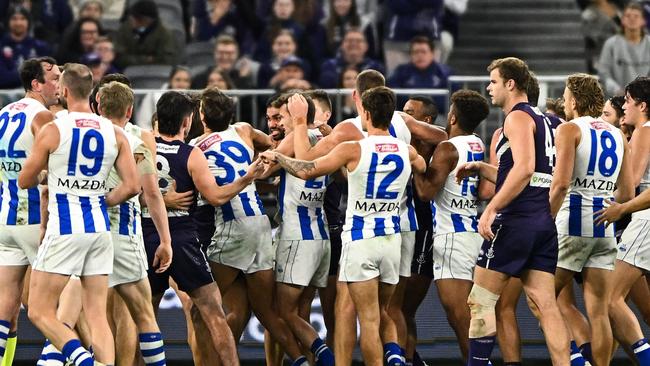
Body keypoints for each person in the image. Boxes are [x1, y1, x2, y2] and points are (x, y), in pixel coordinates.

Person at [261, 86, 427, 366]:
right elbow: (422, 167)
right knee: (385, 311)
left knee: (369, 321)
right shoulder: (406, 150)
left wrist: (280, 155)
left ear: (366, 112)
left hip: (362, 241)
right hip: (392, 239)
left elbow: (307, 168)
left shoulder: (353, 149)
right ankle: (396, 359)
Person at [291, 70, 447, 366]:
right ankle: (399, 358)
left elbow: (305, 162)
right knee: (394, 309)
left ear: (359, 99)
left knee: (349, 308)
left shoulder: (349, 132)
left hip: (362, 231)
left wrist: (300, 121)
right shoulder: (405, 125)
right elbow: (442, 137)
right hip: (402, 226)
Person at [18, 63, 139, 366]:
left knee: (38, 310)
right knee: (97, 314)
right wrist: (102, 199)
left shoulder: (53, 129)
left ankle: (83, 361)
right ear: (93, 94)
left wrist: (47, 176)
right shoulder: (115, 133)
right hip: (99, 227)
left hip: (65, 228)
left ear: (65, 91)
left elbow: (24, 180)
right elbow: (132, 186)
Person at [455, 57, 569, 365]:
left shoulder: (516, 118)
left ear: (510, 84)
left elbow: (525, 169)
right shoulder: (545, 120)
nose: (489, 87)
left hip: (515, 221)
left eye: (493, 81)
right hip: (542, 223)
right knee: (547, 306)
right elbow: (537, 175)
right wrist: (482, 168)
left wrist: (491, 208)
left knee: (480, 301)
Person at [144, 90, 265, 366]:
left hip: (148, 236)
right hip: (184, 239)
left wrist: (161, 198)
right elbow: (216, 196)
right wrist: (247, 177)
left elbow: (129, 188)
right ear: (187, 122)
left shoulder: (143, 146)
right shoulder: (191, 154)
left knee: (143, 317)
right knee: (213, 312)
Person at [550, 73, 633, 366]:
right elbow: (626, 192)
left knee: (542, 299)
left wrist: (545, 219)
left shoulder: (569, 129)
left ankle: (573, 361)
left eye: (565, 95)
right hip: (605, 226)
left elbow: (560, 184)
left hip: (572, 223)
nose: (563, 100)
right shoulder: (617, 134)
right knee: (598, 312)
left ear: (573, 99)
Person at [97, 81, 174, 366]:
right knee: (139, 314)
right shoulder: (137, 142)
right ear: (130, 111)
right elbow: (151, 194)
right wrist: (165, 241)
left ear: (98, 107)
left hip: (88, 232)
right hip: (125, 235)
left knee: (91, 315)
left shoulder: (80, 136)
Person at [413, 90, 490, 363]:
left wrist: (414, 161)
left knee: (459, 316)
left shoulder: (448, 148)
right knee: (474, 316)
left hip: (452, 238)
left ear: (453, 116)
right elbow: (484, 190)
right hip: (472, 232)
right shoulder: (477, 143)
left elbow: (425, 192)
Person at [0, 56, 59, 365]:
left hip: (5, 219)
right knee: (59, 308)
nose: (59, 85)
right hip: (36, 220)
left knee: (5, 311)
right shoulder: (44, 118)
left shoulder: (3, 113)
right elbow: (51, 169)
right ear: (37, 84)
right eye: (54, 78)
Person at [598, 76, 650, 365]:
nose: (625, 106)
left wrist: (619, 207)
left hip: (645, 221)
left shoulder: (645, 130)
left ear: (642, 105)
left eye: (628, 101)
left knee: (610, 298)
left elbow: (634, 182)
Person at [400, 95, 438, 365]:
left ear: (425, 120)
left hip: (424, 232)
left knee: (403, 309)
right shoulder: (398, 144)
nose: (402, 117)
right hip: (399, 232)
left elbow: (424, 196)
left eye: (409, 113)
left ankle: (411, 359)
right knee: (394, 309)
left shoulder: (436, 148)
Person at [598, 2, 650, 96]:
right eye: (628, 16)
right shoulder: (611, 44)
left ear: (643, 21)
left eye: (636, 16)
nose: (632, 19)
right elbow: (604, 73)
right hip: (618, 99)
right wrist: (618, 91)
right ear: (622, 20)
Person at [112, 0, 177, 69]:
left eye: (136, 18)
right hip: (127, 71)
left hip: (155, 72)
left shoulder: (164, 34)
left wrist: (134, 59)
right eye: (132, 17)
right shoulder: (125, 29)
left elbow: (166, 60)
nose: (132, 20)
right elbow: (119, 57)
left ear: (147, 20)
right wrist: (147, 59)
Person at [0, 6, 52, 89]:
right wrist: (29, 76)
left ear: (28, 22)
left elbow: (46, 76)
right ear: (8, 22)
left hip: (35, 93)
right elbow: (2, 78)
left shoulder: (40, 47)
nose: (18, 23)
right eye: (14, 19)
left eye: (22, 18)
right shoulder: (1, 46)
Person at [318, 28, 384, 89]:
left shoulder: (376, 68)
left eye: (358, 41)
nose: (353, 43)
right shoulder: (329, 65)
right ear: (342, 45)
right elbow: (326, 86)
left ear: (366, 46)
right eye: (349, 40)